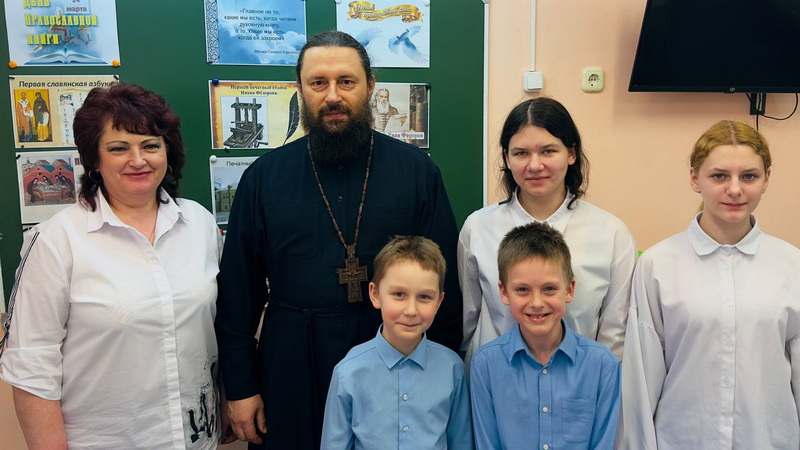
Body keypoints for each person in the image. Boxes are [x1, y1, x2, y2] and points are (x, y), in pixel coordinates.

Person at [216, 30, 462, 449]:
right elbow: (239, 292)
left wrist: (437, 374)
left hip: (391, 357)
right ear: (300, 90)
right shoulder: (264, 178)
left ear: (370, 86)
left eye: (346, 81)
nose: (333, 96)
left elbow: (445, 287)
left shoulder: (417, 173)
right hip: (291, 362)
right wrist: (240, 386)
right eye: (318, 83)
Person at [0, 83, 230, 449]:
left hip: (196, 438)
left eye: (150, 145)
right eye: (119, 148)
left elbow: (217, 329)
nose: (138, 160)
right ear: (94, 159)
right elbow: (31, 366)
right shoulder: (56, 240)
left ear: (168, 152)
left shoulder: (199, 224)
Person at [618, 120, 800, 449]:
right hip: (682, 440)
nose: (735, 189)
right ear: (695, 179)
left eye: (749, 176)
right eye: (719, 176)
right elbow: (641, 383)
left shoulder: (792, 265)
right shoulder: (658, 265)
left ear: (767, 179)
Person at [459, 97, 636, 364]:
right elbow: (468, 319)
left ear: (571, 153)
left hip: (580, 381)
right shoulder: (478, 227)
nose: (534, 165)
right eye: (521, 153)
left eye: (548, 151)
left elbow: (615, 334)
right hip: (495, 379)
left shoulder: (612, 234)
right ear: (506, 157)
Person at [470, 222, 620, 449]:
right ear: (504, 292)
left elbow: (604, 442)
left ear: (569, 289)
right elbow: (487, 443)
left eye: (549, 288)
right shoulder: (486, 364)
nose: (537, 302)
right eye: (522, 289)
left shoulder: (602, 364)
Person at [321, 236, 473, 449]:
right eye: (399, 294)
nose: (411, 310)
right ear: (375, 294)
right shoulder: (348, 372)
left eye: (424, 297)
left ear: (439, 301)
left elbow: (461, 442)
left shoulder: (452, 369)